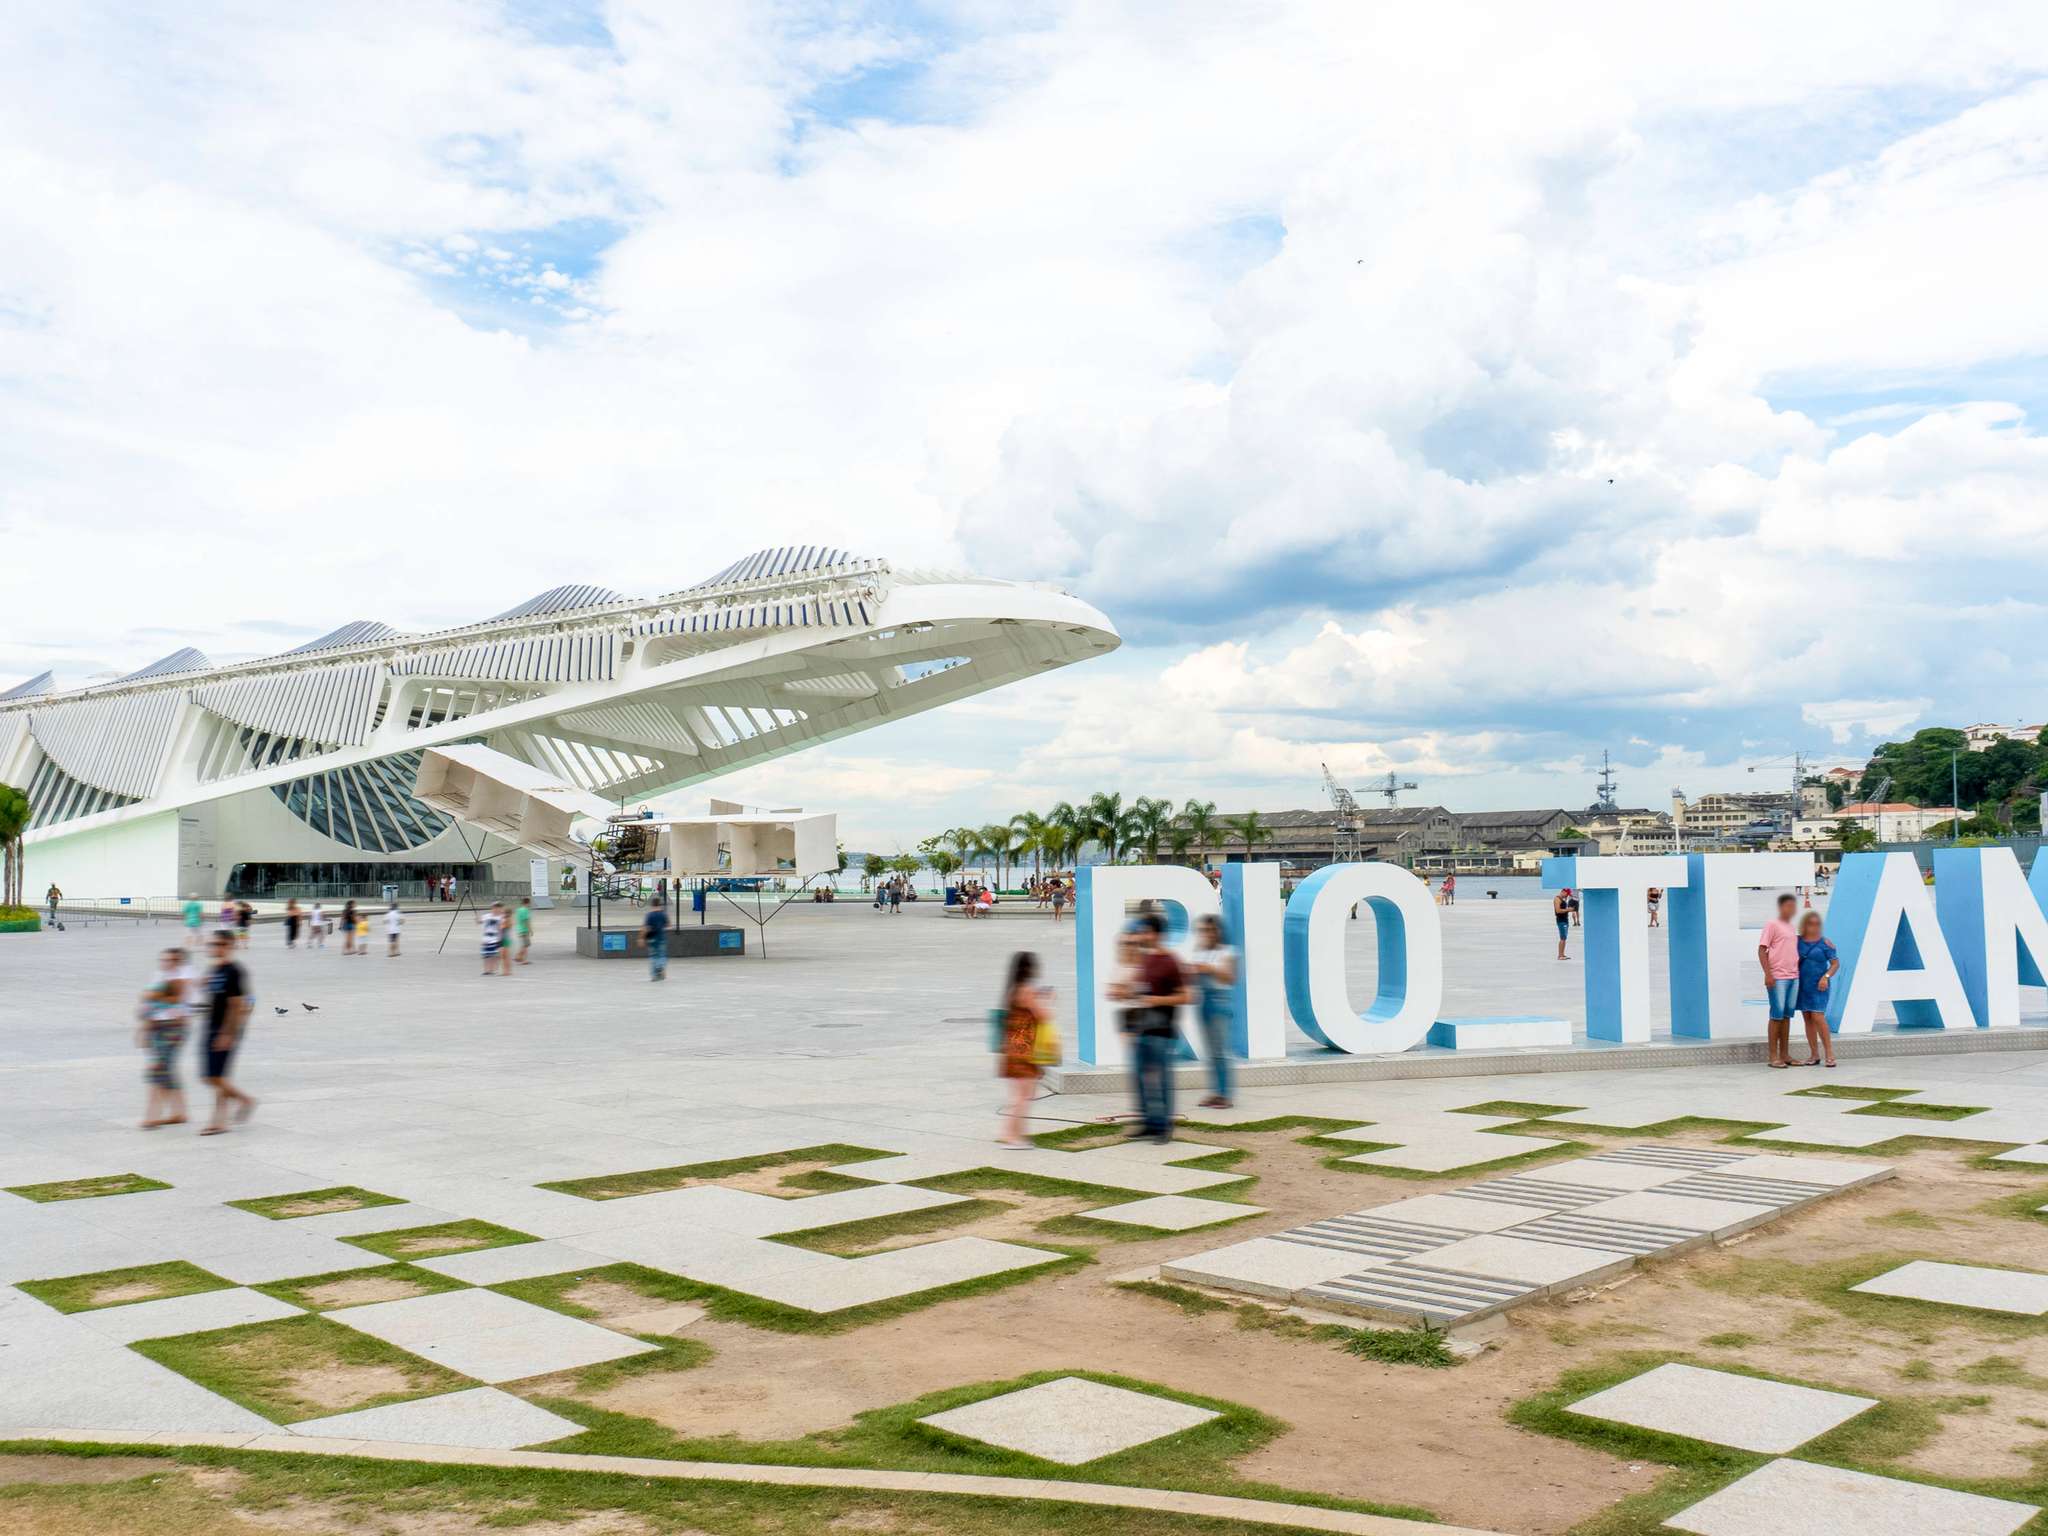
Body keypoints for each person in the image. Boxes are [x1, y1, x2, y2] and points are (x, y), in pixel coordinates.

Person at [1111, 913, 1190, 1144]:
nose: (1142, 935)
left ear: (1156, 934)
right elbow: (1138, 990)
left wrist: (1157, 1000)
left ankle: (1164, 1126)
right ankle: (1148, 1123)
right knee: (1138, 1077)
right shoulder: (1144, 960)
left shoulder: (1171, 961)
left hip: (1162, 1031)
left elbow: (1186, 996)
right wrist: (1125, 993)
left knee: (1162, 1080)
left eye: (1146, 931)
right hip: (1141, 1029)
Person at [199, 930, 255, 1134]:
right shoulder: (215, 969)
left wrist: (227, 1033)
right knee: (216, 1076)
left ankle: (244, 1101)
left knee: (214, 1077)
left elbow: (237, 1004)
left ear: (230, 946)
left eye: (221, 944)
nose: (216, 947)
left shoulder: (234, 971)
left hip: (224, 1029)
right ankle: (219, 1121)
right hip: (212, 1025)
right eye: (214, 943)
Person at [997, 951, 1053, 1147]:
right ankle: (1014, 1136)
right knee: (1025, 1096)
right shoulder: (1027, 990)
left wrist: (1040, 995)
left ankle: (1010, 1133)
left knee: (1019, 1095)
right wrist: (1048, 1001)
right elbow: (1044, 1016)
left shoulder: (1013, 990)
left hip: (1011, 1049)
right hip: (1024, 1050)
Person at [1188, 914, 1238, 1109]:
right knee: (1209, 1051)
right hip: (1203, 1001)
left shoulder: (1227, 952)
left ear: (1218, 931)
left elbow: (1229, 978)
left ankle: (1225, 1093)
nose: (1206, 934)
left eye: (1210, 930)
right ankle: (1215, 1091)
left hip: (1219, 1000)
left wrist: (1208, 968)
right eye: (1202, 930)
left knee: (1220, 1051)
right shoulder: (1199, 951)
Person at [137, 948, 189, 1129]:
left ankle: (153, 1115)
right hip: (157, 1028)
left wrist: (153, 996)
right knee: (165, 1070)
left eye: (172, 960)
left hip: (173, 1029)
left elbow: (175, 1000)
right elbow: (147, 1002)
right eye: (165, 960)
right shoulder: (159, 977)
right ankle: (179, 1112)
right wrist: (144, 1028)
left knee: (158, 1069)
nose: (168, 963)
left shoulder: (181, 979)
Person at [1760, 892, 1801, 1069]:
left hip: (1793, 977)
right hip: (1778, 977)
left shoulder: (1791, 927)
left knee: (1786, 1016)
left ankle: (1785, 1054)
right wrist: (1768, 974)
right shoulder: (1772, 925)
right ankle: (1773, 1056)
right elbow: (1762, 950)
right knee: (1776, 1016)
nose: (1792, 909)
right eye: (1788, 906)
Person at [1794, 910, 1840, 1068]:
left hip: (1819, 985)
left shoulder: (1825, 943)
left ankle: (1829, 1053)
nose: (1814, 927)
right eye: (1810, 923)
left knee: (1818, 1017)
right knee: (1807, 1018)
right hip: (1802, 986)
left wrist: (1825, 977)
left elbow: (1835, 964)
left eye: (1817, 924)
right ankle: (1814, 1054)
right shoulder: (1797, 941)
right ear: (1804, 925)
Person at [642, 897, 670, 981]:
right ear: (659, 904)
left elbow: (645, 928)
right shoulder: (663, 914)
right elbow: (668, 925)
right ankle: (660, 966)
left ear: (652, 905)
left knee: (653, 956)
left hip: (652, 938)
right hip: (661, 937)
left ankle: (654, 975)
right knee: (661, 955)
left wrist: (642, 938)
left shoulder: (649, 915)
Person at [478, 902, 503, 975]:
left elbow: (500, 929)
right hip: (486, 939)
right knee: (486, 955)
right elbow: (479, 922)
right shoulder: (486, 916)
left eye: (498, 908)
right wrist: (477, 919)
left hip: (495, 938)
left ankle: (493, 970)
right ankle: (486, 970)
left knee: (494, 955)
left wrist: (500, 938)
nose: (497, 909)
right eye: (495, 907)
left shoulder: (501, 917)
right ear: (492, 908)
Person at [1553, 887, 1573, 961]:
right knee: (1562, 938)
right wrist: (1568, 909)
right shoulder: (1557, 899)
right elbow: (1558, 910)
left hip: (1565, 920)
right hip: (1561, 920)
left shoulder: (1563, 899)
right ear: (1563, 891)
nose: (1567, 896)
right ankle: (1560, 955)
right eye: (1567, 894)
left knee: (1564, 938)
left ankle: (1562, 954)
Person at [513, 896, 533, 965]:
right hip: (524, 929)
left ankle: (520, 957)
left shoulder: (519, 910)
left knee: (525, 945)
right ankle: (521, 958)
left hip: (519, 929)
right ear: (527, 903)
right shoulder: (525, 910)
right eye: (530, 903)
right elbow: (526, 921)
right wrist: (530, 930)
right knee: (525, 945)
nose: (530, 904)